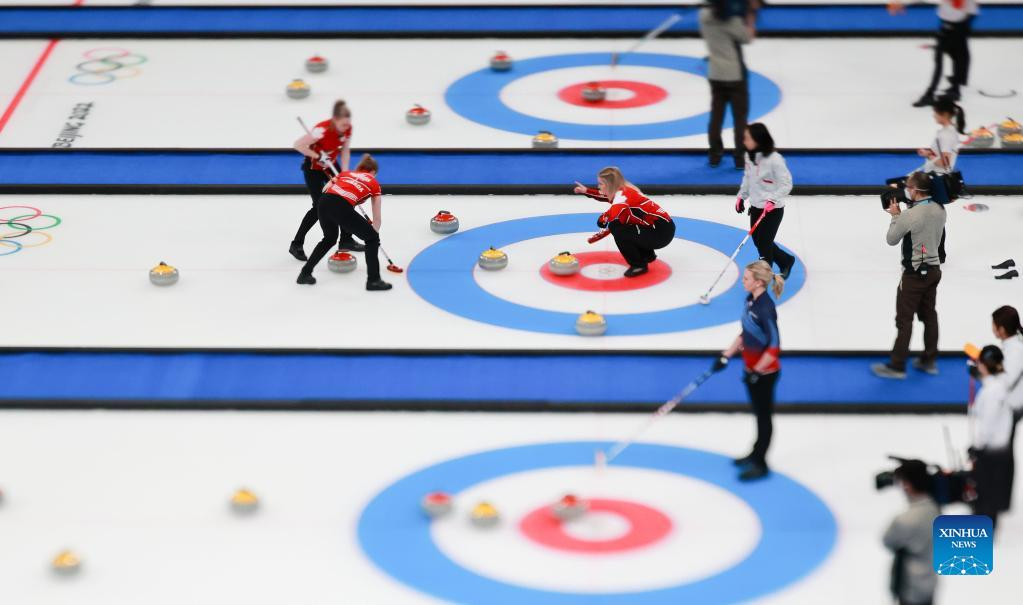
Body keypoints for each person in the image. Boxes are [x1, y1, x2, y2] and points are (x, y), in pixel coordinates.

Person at [710, 260, 784, 481]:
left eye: (746, 278)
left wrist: (757, 371)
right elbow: (745, 333)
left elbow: (774, 346)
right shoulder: (750, 300)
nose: (742, 281)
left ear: (759, 282)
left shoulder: (765, 309)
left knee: (764, 418)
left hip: (765, 374)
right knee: (758, 415)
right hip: (751, 369)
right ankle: (755, 453)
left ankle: (761, 463)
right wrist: (726, 355)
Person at [872, 172, 947, 379]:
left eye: (908, 188)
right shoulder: (940, 209)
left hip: (914, 274)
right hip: (934, 270)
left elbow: (891, 239)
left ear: (914, 190)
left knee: (904, 320)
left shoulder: (910, 215)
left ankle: (897, 366)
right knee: (929, 316)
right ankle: (929, 361)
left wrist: (896, 216)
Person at [297, 154, 391, 291]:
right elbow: (377, 219)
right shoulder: (374, 184)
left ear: (359, 169)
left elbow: (325, 189)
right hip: (340, 205)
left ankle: (304, 274)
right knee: (372, 239)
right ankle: (374, 281)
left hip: (323, 202)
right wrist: (374, 237)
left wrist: (346, 193)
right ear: (373, 172)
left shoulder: (345, 174)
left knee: (329, 239)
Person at [289, 100, 364, 261]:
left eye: (348, 123)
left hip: (331, 164)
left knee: (345, 199)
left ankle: (346, 240)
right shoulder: (321, 130)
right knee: (318, 207)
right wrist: (317, 156)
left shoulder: (347, 129)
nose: (346, 127)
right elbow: (298, 145)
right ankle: (296, 244)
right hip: (313, 168)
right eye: (343, 124)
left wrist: (344, 173)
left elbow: (345, 150)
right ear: (335, 120)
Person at [573, 167, 675, 277]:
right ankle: (647, 255)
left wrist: (602, 220)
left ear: (610, 184)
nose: (598, 186)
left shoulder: (622, 197)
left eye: (601, 184)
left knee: (618, 230)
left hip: (659, 234)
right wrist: (586, 191)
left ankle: (638, 265)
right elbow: (606, 197)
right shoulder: (625, 189)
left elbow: (609, 216)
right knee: (621, 223)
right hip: (662, 228)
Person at [889, 0, 979, 106]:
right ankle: (955, 88)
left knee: (943, 58)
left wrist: (901, 3)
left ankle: (931, 94)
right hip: (953, 26)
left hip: (956, 27)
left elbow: (967, 9)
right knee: (956, 56)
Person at [736, 123, 795, 279]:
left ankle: (763, 279)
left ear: (758, 139)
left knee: (764, 243)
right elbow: (747, 178)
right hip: (756, 206)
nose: (744, 141)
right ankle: (786, 260)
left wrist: (773, 199)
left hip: (773, 209)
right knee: (758, 241)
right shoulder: (749, 156)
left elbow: (786, 184)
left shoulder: (775, 160)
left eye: (747, 138)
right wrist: (742, 196)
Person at [699, 0, 752, 169]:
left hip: (715, 73)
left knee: (716, 116)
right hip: (735, 75)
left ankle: (715, 155)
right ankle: (740, 157)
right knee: (740, 118)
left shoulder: (704, 17)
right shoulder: (733, 22)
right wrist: (749, 16)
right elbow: (747, 38)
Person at [968, 345, 1014, 530]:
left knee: (985, 496)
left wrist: (977, 447)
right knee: (990, 495)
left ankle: (982, 532)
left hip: (990, 452)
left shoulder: (992, 392)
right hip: (999, 450)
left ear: (984, 365)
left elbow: (988, 424)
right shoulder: (1000, 385)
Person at [882, 459, 939, 605]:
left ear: (907, 485)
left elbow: (888, 540)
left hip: (911, 587)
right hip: (930, 581)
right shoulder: (935, 510)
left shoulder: (905, 520)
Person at [917, 96, 966, 175]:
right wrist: (928, 153)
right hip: (936, 176)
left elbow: (945, 163)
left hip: (937, 177)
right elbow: (942, 155)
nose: (933, 115)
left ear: (945, 114)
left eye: (935, 112)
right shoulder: (948, 132)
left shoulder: (946, 135)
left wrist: (928, 155)